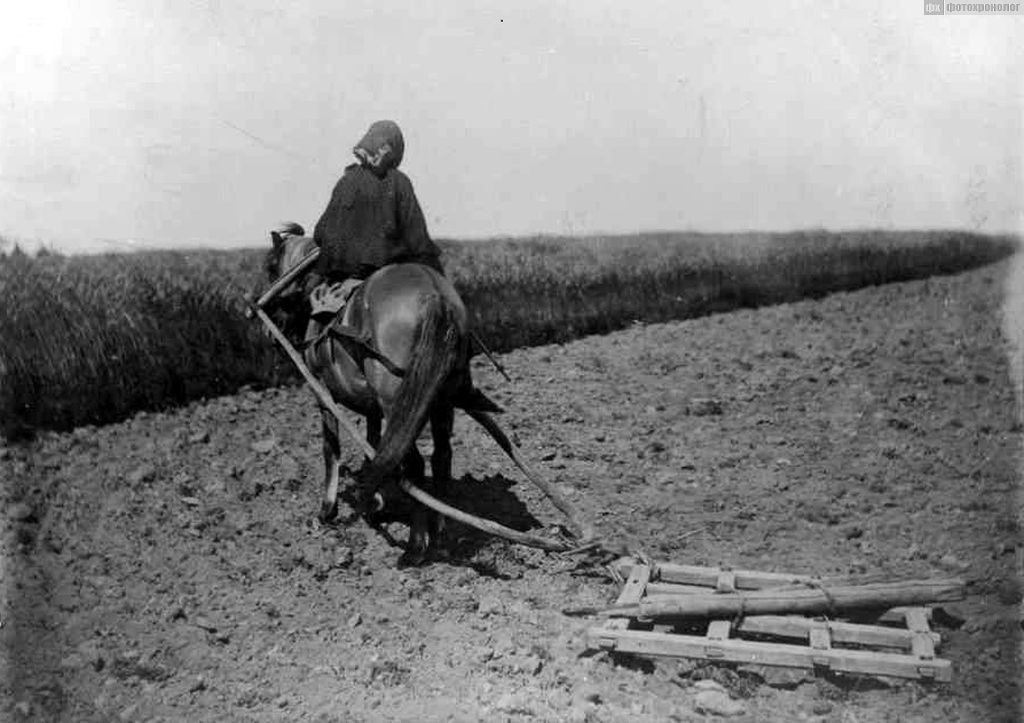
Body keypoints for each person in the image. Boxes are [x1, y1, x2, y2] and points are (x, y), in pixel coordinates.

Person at [313, 120, 443, 286]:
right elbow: (417, 237)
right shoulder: (400, 181)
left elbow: (321, 233)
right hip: (390, 269)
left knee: (308, 304)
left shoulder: (346, 181)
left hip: (345, 275)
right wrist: (437, 273)